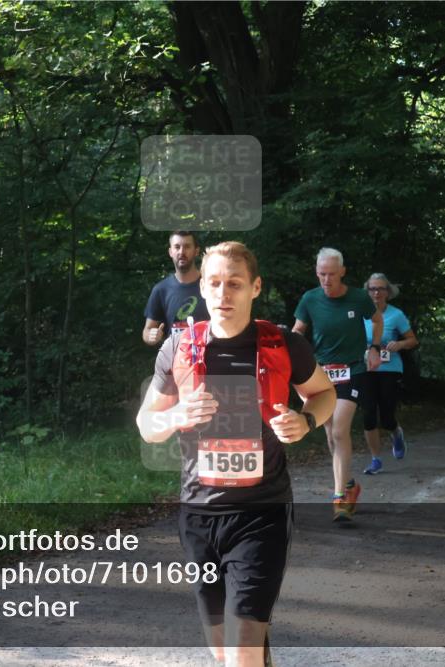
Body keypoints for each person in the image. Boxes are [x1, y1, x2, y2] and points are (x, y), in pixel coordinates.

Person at [137, 241, 335, 667]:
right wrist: (175, 416)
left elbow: (322, 393)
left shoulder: (284, 345)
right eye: (215, 283)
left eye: (235, 284)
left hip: (261, 513)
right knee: (225, 652)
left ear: (255, 287)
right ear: (202, 290)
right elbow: (146, 425)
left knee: (240, 655)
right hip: (199, 516)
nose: (224, 294)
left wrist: (307, 421)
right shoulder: (178, 349)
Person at [293, 248, 383, 522]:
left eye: (331, 274)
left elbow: (377, 320)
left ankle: (339, 498)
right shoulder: (310, 299)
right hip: (321, 376)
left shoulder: (358, 298)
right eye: (321, 274)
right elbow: (298, 330)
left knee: (341, 430)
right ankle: (349, 484)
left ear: (342, 272)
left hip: (352, 371)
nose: (326, 279)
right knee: (331, 436)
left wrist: (374, 348)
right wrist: (294, 352)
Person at [361, 273, 420, 475]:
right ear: (367, 292)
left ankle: (396, 432)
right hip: (365, 369)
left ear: (388, 292)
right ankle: (376, 459)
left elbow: (413, 340)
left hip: (389, 369)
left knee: (386, 417)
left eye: (380, 289)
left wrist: (400, 343)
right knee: (368, 415)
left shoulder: (396, 315)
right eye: (372, 289)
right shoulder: (360, 314)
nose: (376, 292)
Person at [142, 230, 211, 346]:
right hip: (175, 360)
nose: (182, 252)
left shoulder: (212, 286)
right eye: (177, 247)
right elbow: (147, 331)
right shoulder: (161, 289)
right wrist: (151, 336)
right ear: (170, 252)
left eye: (187, 247)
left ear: (196, 251)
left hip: (208, 358)